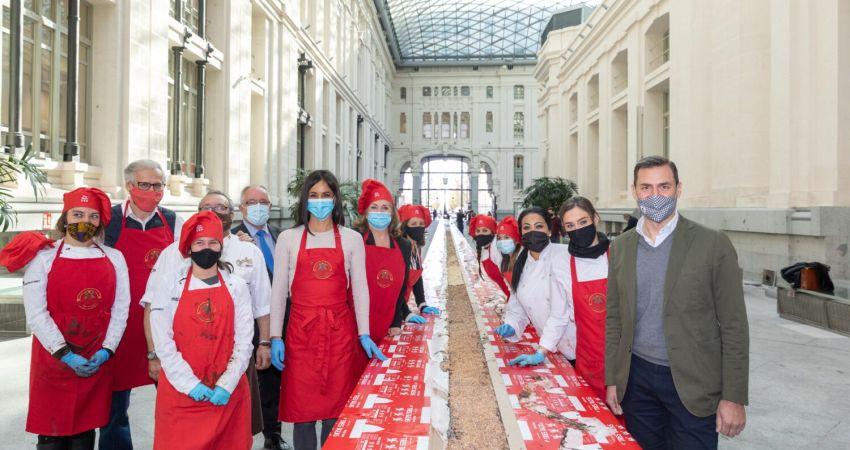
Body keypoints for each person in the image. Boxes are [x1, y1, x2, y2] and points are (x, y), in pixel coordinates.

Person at [605, 156, 749, 449]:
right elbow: (614, 318)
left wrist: (733, 396)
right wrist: (613, 379)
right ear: (635, 191)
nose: (655, 195)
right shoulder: (621, 246)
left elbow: (734, 325)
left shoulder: (713, 244)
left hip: (693, 383)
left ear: (678, 189)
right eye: (646, 187)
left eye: (664, 186)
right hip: (637, 382)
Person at [141, 190, 273, 444]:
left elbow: (244, 341)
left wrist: (227, 383)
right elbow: (163, 341)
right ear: (189, 248)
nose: (206, 248)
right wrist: (189, 384)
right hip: (180, 389)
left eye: (213, 243)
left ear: (221, 247)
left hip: (228, 389)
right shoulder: (169, 284)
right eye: (199, 243)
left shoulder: (236, 286)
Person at [269, 170, 386, 450]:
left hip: (339, 333)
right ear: (304, 200)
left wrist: (364, 333)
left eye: (326, 195)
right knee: (303, 412)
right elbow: (278, 292)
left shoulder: (351, 239)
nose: (320, 201)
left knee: (337, 410)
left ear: (335, 200)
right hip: (301, 333)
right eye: (314, 195)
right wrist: (275, 337)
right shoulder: (288, 238)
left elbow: (360, 290)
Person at [8, 188, 131, 450]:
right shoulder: (43, 258)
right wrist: (65, 354)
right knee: (51, 432)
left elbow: (121, 308)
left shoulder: (114, 257)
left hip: (96, 354)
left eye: (92, 216)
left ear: (100, 222)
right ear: (65, 218)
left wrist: (107, 350)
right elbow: (37, 313)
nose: (85, 221)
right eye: (78, 214)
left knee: (85, 431)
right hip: (53, 357)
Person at [102, 159, 181, 450]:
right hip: (119, 327)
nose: (152, 191)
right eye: (144, 185)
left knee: (176, 401)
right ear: (129, 186)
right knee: (114, 407)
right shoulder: (109, 221)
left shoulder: (173, 221)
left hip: (162, 327)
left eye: (158, 185)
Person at [232, 185, 291, 450]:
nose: (258, 207)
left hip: (287, 317)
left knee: (279, 378)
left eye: (263, 202)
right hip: (255, 323)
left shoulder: (281, 235)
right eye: (251, 202)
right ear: (241, 208)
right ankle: (267, 435)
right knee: (263, 382)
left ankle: (276, 431)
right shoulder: (232, 239)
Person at [494, 207, 575, 368]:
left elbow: (560, 313)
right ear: (521, 233)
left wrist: (542, 351)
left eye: (538, 226)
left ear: (549, 230)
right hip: (552, 347)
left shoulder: (564, 256)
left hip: (575, 341)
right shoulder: (521, 263)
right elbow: (518, 304)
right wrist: (512, 324)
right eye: (527, 228)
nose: (533, 232)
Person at [549, 196, 611, 399]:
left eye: (583, 222)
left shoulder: (619, 256)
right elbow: (558, 315)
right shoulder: (561, 265)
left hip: (623, 361)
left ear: (595, 219)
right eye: (570, 226)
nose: (578, 229)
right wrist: (542, 350)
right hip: (588, 359)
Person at [353, 180, 426, 345]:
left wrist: (396, 320)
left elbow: (401, 288)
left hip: (387, 324)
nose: (379, 212)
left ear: (392, 212)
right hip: (356, 324)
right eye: (374, 207)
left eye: (385, 207)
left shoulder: (403, 245)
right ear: (366, 212)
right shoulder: (355, 239)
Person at [397, 205, 440, 315]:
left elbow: (417, 277)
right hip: (394, 306)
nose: (418, 227)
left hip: (402, 305)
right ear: (405, 226)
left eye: (421, 224)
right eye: (413, 224)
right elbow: (395, 287)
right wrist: (405, 313)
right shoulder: (399, 248)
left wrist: (422, 304)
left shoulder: (416, 247)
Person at [469, 214, 510, 298]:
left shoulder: (497, 248)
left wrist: (512, 301)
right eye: (478, 231)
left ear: (492, 232)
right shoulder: (486, 248)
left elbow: (509, 279)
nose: (480, 234)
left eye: (485, 230)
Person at [495, 216, 522, 285]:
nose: (502, 241)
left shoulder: (521, 261)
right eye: (499, 238)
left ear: (516, 240)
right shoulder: (505, 258)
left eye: (506, 237)